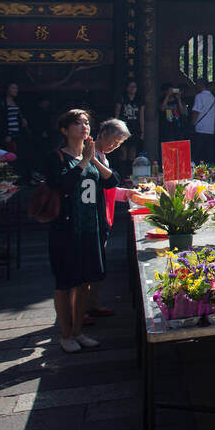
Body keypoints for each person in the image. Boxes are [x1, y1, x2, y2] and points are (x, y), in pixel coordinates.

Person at [46, 109, 115, 353]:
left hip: (90, 226)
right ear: (64, 130)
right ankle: (66, 334)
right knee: (66, 282)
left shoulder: (90, 156)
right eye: (77, 123)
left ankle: (78, 331)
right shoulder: (57, 158)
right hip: (66, 228)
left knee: (85, 281)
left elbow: (111, 180)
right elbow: (63, 184)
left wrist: (93, 158)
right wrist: (85, 160)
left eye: (86, 123)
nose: (84, 127)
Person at [84, 118, 130, 321]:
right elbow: (103, 186)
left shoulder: (102, 156)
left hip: (106, 214)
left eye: (119, 144)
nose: (115, 146)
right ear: (102, 134)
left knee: (99, 262)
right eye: (113, 141)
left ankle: (92, 303)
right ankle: (83, 308)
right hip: (94, 215)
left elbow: (109, 187)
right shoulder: (90, 155)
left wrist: (127, 194)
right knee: (91, 264)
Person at [113, 80, 144, 170]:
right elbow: (117, 114)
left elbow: (141, 116)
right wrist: (115, 128)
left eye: (134, 87)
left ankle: (130, 174)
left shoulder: (139, 100)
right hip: (123, 128)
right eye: (130, 86)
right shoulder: (122, 99)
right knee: (123, 153)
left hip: (135, 128)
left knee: (132, 153)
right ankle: (122, 173)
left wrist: (143, 131)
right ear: (126, 88)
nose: (132, 89)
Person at [189, 81, 215, 163]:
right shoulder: (214, 99)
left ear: (200, 85)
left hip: (200, 128)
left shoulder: (199, 96)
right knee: (209, 153)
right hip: (210, 129)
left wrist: (192, 124)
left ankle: (193, 169)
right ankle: (212, 171)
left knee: (196, 152)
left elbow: (196, 112)